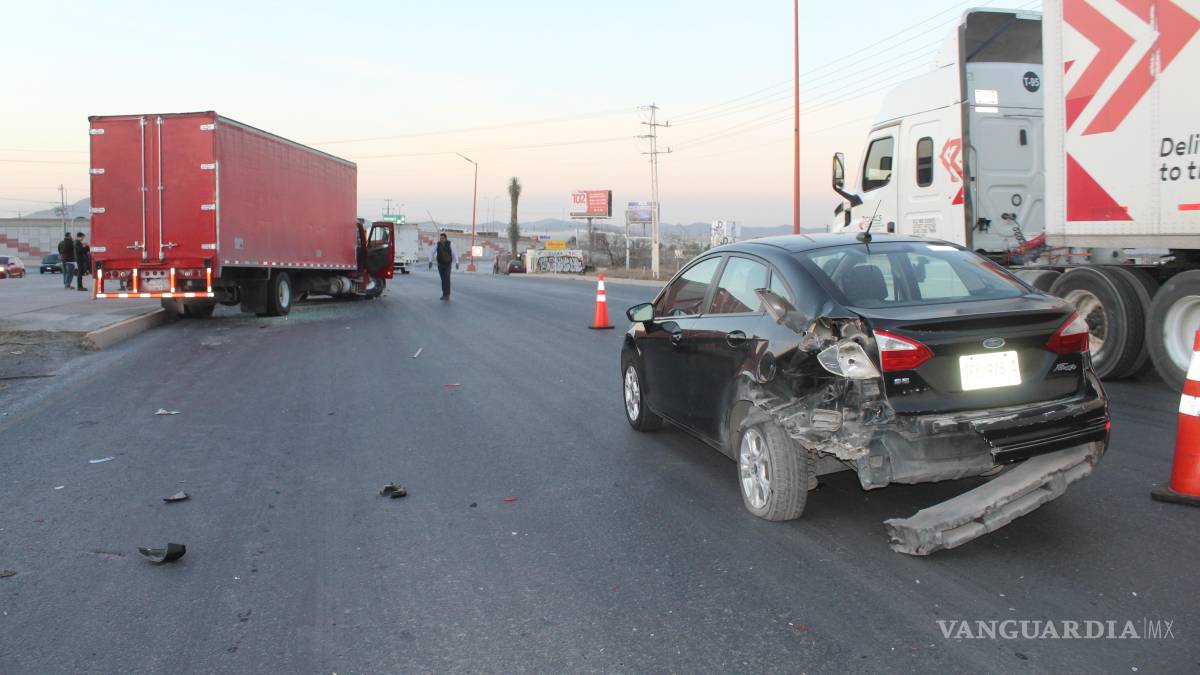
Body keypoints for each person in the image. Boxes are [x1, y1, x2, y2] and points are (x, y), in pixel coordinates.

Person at [428, 232, 459, 300]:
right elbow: (432, 252)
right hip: (440, 264)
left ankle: (447, 294)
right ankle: (444, 294)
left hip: (448, 264)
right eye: (440, 238)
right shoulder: (437, 244)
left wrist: (457, 262)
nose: (441, 239)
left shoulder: (451, 244)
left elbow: (455, 253)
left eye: (442, 238)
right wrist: (430, 261)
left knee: (447, 279)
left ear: (445, 238)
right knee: (443, 279)